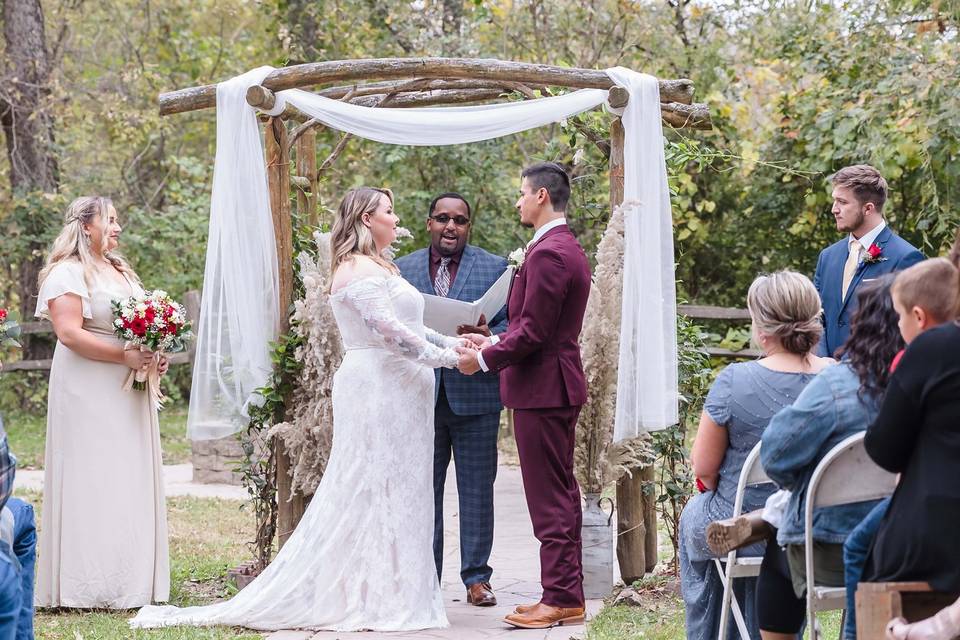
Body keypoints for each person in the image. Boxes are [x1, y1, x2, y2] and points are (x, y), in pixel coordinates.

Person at [132, 187, 472, 631]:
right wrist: (450, 360)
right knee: (369, 484)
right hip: (377, 389)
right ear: (367, 219)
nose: (396, 217)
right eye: (389, 210)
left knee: (402, 490)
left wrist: (453, 341)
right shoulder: (353, 269)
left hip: (404, 395)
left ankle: (393, 586)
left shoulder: (381, 266)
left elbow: (413, 325)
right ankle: (368, 594)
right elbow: (390, 334)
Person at [457, 162, 591, 630]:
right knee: (560, 493)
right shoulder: (557, 247)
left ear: (541, 197)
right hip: (548, 386)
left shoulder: (548, 254)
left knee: (549, 498)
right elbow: (534, 328)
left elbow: (534, 333)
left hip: (544, 389)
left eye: (521, 193)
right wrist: (490, 341)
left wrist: (485, 360)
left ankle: (558, 598)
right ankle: (566, 594)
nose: (517, 201)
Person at [679, 271, 832, 640]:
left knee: (696, 517)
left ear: (762, 328)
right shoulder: (838, 378)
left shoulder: (734, 381)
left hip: (746, 526)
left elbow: (704, 469)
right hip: (816, 526)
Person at [35, 196, 169, 609]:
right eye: (110, 220)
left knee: (126, 476)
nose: (117, 227)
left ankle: (130, 581)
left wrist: (153, 350)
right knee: (92, 476)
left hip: (127, 389)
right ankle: (85, 587)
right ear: (86, 225)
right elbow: (70, 334)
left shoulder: (120, 270)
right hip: (87, 389)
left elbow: (138, 323)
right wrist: (123, 355)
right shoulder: (67, 272)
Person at [756, 275, 903, 640]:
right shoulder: (928, 384)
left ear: (860, 324)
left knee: (777, 554)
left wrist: (804, 483)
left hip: (831, 557)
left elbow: (775, 457)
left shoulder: (836, 386)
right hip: (904, 549)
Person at [395, 192, 508, 607]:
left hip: (476, 396)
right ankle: (428, 579)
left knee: (478, 490)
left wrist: (487, 336)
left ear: (468, 227)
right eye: (442, 218)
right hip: (420, 394)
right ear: (428, 223)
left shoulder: (495, 268)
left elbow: (513, 323)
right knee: (424, 491)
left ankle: (477, 578)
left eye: (459, 220)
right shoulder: (400, 269)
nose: (450, 227)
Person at [841, 258, 958, 639]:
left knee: (862, 546)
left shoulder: (930, 349)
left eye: (899, 317)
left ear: (919, 317)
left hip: (938, 525)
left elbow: (884, 449)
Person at [813, 164, 923, 358]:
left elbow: (900, 327)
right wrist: (823, 363)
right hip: (823, 373)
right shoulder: (827, 257)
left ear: (868, 208)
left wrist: (847, 367)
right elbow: (816, 316)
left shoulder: (906, 258)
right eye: (834, 201)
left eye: (842, 202)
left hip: (874, 375)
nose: (834, 209)